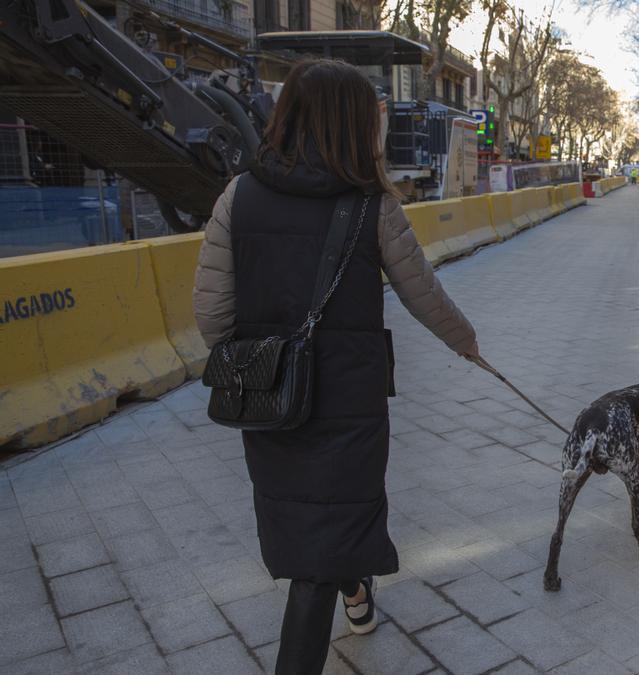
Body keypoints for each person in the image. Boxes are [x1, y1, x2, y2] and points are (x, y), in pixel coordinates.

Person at [192, 60, 478, 674]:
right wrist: (467, 343)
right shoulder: (371, 206)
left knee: (308, 517)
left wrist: (258, 363)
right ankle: (331, 613)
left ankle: (358, 595)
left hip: (270, 398)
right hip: (349, 399)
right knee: (321, 549)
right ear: (353, 126)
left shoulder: (236, 197)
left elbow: (212, 317)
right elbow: (423, 293)